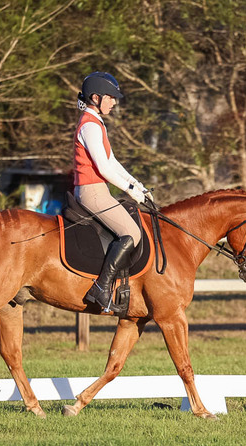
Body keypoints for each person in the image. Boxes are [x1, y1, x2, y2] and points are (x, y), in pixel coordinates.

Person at [73, 71, 152, 311]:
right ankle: (101, 286)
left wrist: (137, 184)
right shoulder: (89, 126)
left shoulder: (96, 123)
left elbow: (112, 161)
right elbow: (104, 168)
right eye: (110, 97)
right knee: (132, 232)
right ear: (96, 98)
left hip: (99, 191)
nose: (114, 102)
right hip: (92, 192)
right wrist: (130, 191)